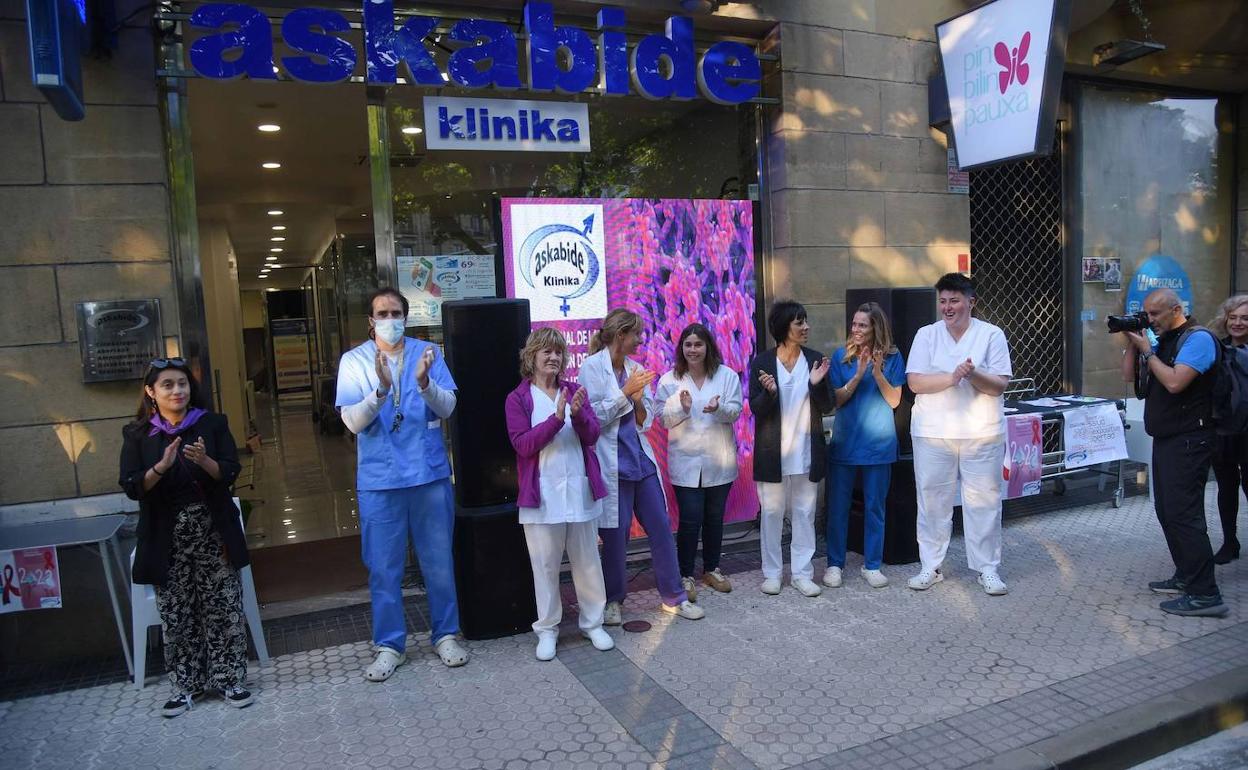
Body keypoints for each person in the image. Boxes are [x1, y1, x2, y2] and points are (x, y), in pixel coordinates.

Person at [335, 287, 469, 681]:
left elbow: (448, 408)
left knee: (439, 563)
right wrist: (379, 390)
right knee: (383, 568)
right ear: (371, 320)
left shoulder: (428, 354)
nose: (390, 319)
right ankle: (390, 645)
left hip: (428, 477)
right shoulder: (355, 362)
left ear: (406, 317)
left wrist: (425, 383)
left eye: (396, 312)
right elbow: (352, 422)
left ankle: (445, 635)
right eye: (382, 313)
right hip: (380, 482)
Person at [120, 358, 253, 717]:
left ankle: (230, 679)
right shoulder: (138, 435)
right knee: (177, 613)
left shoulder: (211, 424)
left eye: (182, 384)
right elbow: (133, 486)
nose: (177, 391)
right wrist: (161, 467)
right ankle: (185, 685)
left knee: (223, 605)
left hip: (212, 529)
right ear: (151, 392)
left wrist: (206, 462)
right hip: (167, 536)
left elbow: (229, 471)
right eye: (167, 385)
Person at [579, 309, 705, 624]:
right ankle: (612, 601)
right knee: (615, 536)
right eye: (636, 333)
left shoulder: (636, 368)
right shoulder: (591, 368)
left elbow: (645, 421)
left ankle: (674, 597)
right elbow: (593, 419)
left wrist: (636, 399)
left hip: (640, 461)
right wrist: (625, 392)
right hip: (612, 465)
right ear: (621, 335)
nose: (640, 339)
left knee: (661, 528)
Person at [505, 328, 615, 661]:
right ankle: (548, 630)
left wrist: (579, 414)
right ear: (532, 357)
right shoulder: (518, 398)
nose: (553, 358)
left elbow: (593, 435)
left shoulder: (574, 391)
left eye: (558, 353)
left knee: (587, 562)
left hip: (578, 491)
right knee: (545, 566)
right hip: (542, 496)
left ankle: (593, 624)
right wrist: (555, 420)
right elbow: (522, 445)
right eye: (546, 352)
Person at [1121, 288, 1228, 617]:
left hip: (1191, 440)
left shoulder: (1199, 340)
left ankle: (1205, 594)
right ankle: (1186, 576)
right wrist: (1133, 343)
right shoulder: (1162, 338)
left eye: (1155, 314)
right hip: (1168, 438)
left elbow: (1175, 382)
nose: (1150, 319)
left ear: (1176, 309)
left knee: (1185, 515)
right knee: (1168, 511)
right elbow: (1129, 377)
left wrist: (1147, 351)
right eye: (1146, 314)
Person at [905, 273, 1012, 596]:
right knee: (932, 501)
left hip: (981, 432)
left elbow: (999, 385)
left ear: (970, 302)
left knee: (984, 501)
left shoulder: (991, 335)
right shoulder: (926, 335)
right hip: (933, 433)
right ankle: (931, 566)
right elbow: (916, 383)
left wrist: (973, 373)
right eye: (943, 301)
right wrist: (953, 377)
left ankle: (987, 569)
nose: (947, 307)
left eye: (954, 300)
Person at [748, 300, 833, 597]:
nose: (806, 327)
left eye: (806, 321)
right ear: (784, 328)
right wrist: (770, 393)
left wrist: (817, 383)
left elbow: (827, 404)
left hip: (806, 453)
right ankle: (772, 573)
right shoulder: (761, 363)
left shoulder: (815, 360)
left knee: (805, 513)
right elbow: (756, 409)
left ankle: (802, 572)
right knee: (771, 513)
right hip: (773, 454)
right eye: (799, 323)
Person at [657, 323, 744, 598]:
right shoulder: (669, 380)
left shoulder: (727, 376)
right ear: (681, 348)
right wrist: (681, 408)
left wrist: (719, 409)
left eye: (698, 344)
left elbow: (736, 412)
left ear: (708, 347)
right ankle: (685, 575)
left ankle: (712, 569)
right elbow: (661, 418)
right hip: (686, 461)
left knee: (714, 518)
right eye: (688, 345)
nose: (693, 350)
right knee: (690, 519)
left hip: (719, 460)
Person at [824, 303, 905, 589]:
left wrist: (878, 373)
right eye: (854, 324)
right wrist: (858, 375)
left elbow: (894, 401)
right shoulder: (840, 357)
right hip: (846, 443)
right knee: (838, 508)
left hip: (878, 444)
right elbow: (837, 400)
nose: (856, 330)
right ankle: (834, 564)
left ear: (875, 328)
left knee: (874, 507)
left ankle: (872, 565)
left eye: (862, 325)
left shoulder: (893, 357)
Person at [1209, 294, 1248, 564]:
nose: (1237, 323)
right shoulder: (1218, 348)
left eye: (1244, 318)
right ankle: (1229, 542)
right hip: (1222, 431)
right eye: (1233, 317)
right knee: (1226, 487)